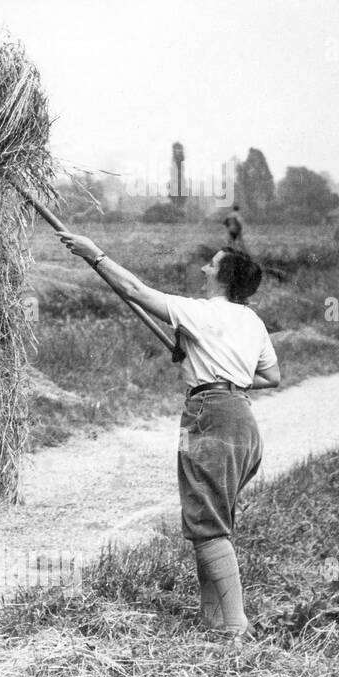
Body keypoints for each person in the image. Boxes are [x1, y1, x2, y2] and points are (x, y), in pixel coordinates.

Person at [57, 234, 280, 643]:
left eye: (211, 265)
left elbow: (134, 290)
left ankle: (234, 629)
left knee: (207, 525)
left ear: (224, 278)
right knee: (211, 521)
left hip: (209, 417)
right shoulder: (252, 321)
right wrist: (207, 360)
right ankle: (214, 621)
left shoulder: (200, 311)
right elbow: (270, 377)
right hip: (243, 420)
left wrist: (95, 253)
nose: (203, 269)